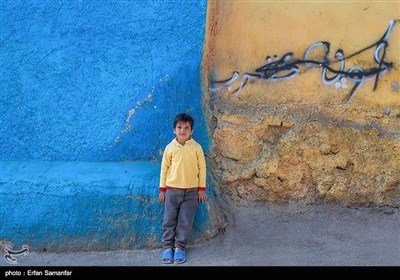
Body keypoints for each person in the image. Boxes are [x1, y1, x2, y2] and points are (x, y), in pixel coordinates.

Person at [158, 113, 207, 264]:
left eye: (186, 128)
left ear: (192, 131)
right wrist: (163, 189)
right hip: (172, 190)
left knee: (185, 221)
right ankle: (167, 247)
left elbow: (202, 169)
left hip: (191, 192)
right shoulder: (170, 148)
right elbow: (164, 169)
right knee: (169, 219)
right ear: (174, 130)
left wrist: (201, 189)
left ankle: (179, 248)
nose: (182, 130)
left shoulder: (196, 148)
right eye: (179, 127)